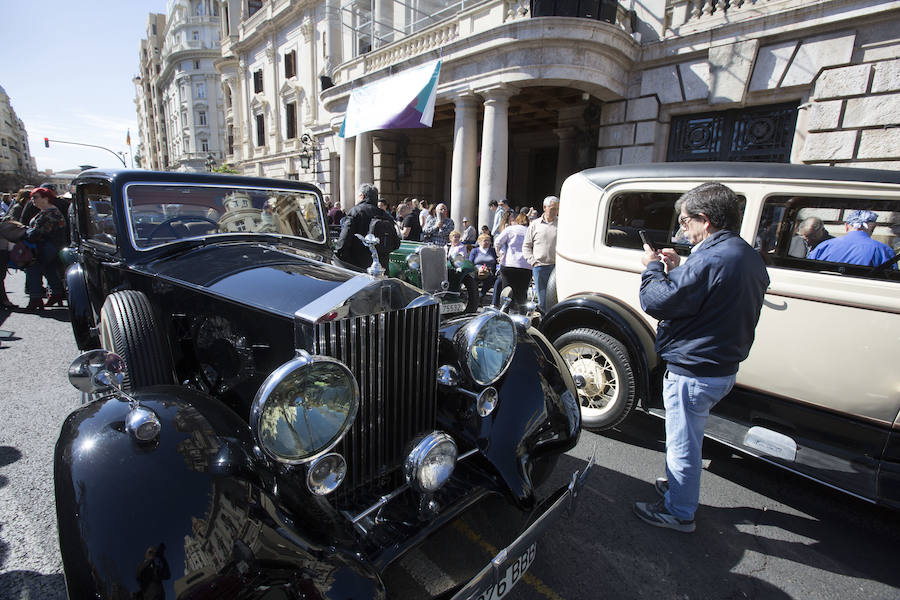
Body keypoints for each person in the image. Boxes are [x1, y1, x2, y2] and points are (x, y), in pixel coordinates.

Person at [634, 182, 769, 533]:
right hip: (721, 367)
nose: (683, 229)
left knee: (682, 444)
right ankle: (680, 489)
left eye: (684, 222)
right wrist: (681, 265)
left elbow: (657, 301)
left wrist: (652, 267)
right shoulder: (744, 253)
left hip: (694, 369)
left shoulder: (710, 258)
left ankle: (678, 511)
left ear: (704, 220)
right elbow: (710, 293)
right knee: (689, 439)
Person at [23, 187, 68, 311]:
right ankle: (56, 295)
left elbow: (37, 233)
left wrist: (24, 232)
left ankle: (36, 298)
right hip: (50, 246)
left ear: (46, 198)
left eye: (36, 197)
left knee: (33, 269)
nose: (33, 200)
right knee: (50, 270)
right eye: (32, 197)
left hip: (46, 247)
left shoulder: (50, 213)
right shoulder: (48, 211)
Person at [807, 209, 896, 268]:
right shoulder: (884, 251)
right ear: (873, 228)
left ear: (846, 226)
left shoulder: (824, 246)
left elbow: (807, 269)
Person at [334, 183, 393, 270]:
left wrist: (338, 254)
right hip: (381, 266)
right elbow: (395, 243)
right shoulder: (385, 215)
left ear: (362, 196)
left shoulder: (355, 212)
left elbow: (344, 239)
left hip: (357, 266)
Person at [523, 195, 559, 312]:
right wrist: (533, 262)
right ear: (545, 207)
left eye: (557, 209)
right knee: (543, 301)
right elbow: (526, 246)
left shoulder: (562, 224)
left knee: (556, 300)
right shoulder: (534, 225)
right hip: (540, 267)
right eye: (553, 209)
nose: (555, 212)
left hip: (557, 268)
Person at [493, 213, 532, 306]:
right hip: (525, 265)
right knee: (522, 293)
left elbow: (497, 242)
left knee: (506, 291)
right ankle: (522, 313)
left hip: (509, 263)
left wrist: (499, 254)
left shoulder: (510, 229)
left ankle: (504, 311)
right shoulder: (530, 231)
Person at [469, 233, 498, 298]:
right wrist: (478, 269)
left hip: (489, 271)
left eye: (489, 241)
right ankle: (474, 295)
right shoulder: (475, 251)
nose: (487, 242)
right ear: (479, 242)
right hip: (476, 270)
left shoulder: (493, 251)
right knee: (472, 278)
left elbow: (496, 261)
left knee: (491, 279)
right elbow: (470, 262)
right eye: (485, 240)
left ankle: (481, 295)